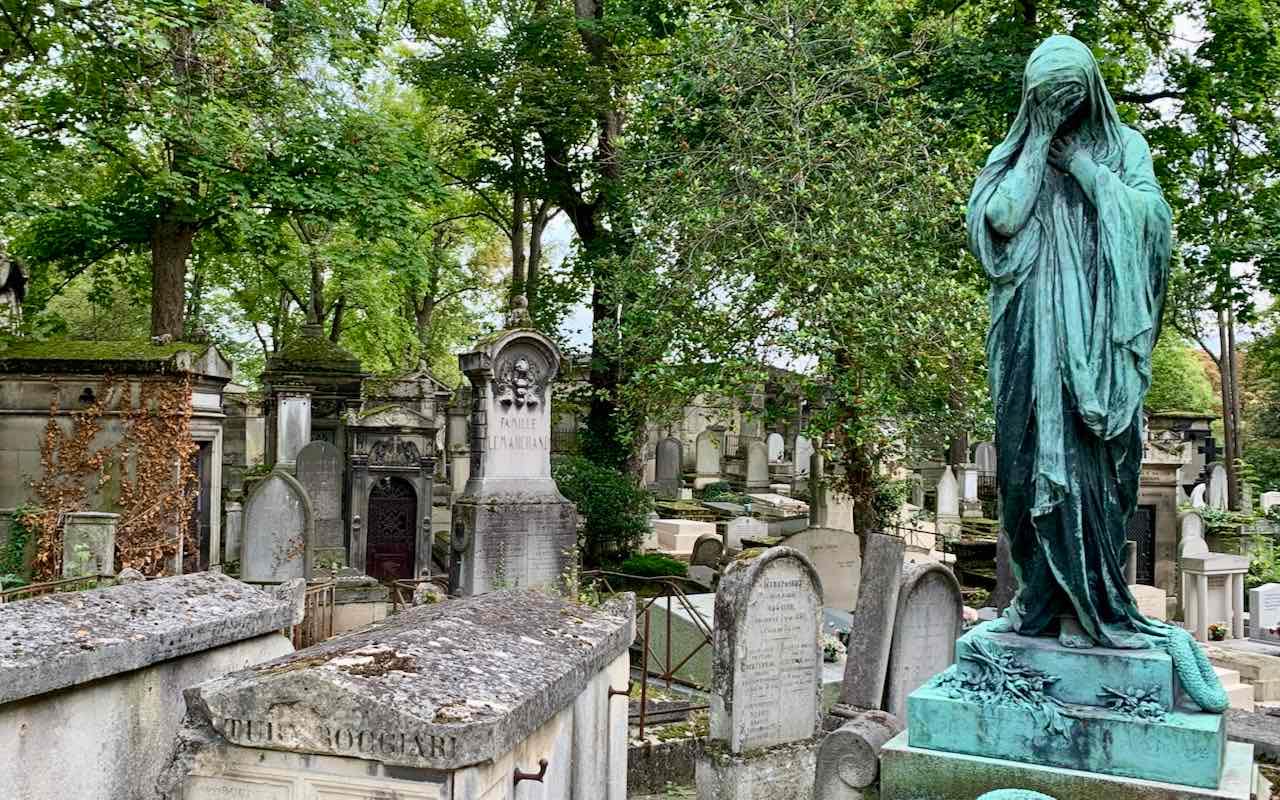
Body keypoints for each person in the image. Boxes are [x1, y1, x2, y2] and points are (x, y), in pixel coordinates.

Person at [968, 35, 1172, 651]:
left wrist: (1086, 172)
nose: (1061, 105)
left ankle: (1099, 603)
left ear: (1093, 90)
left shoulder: (1124, 147)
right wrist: (1038, 138)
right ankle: (1035, 602)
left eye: (1070, 95)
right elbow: (1000, 220)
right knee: (1026, 471)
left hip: (1101, 351)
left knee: (1097, 473)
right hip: (1030, 342)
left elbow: (1152, 221)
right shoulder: (1014, 152)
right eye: (1047, 96)